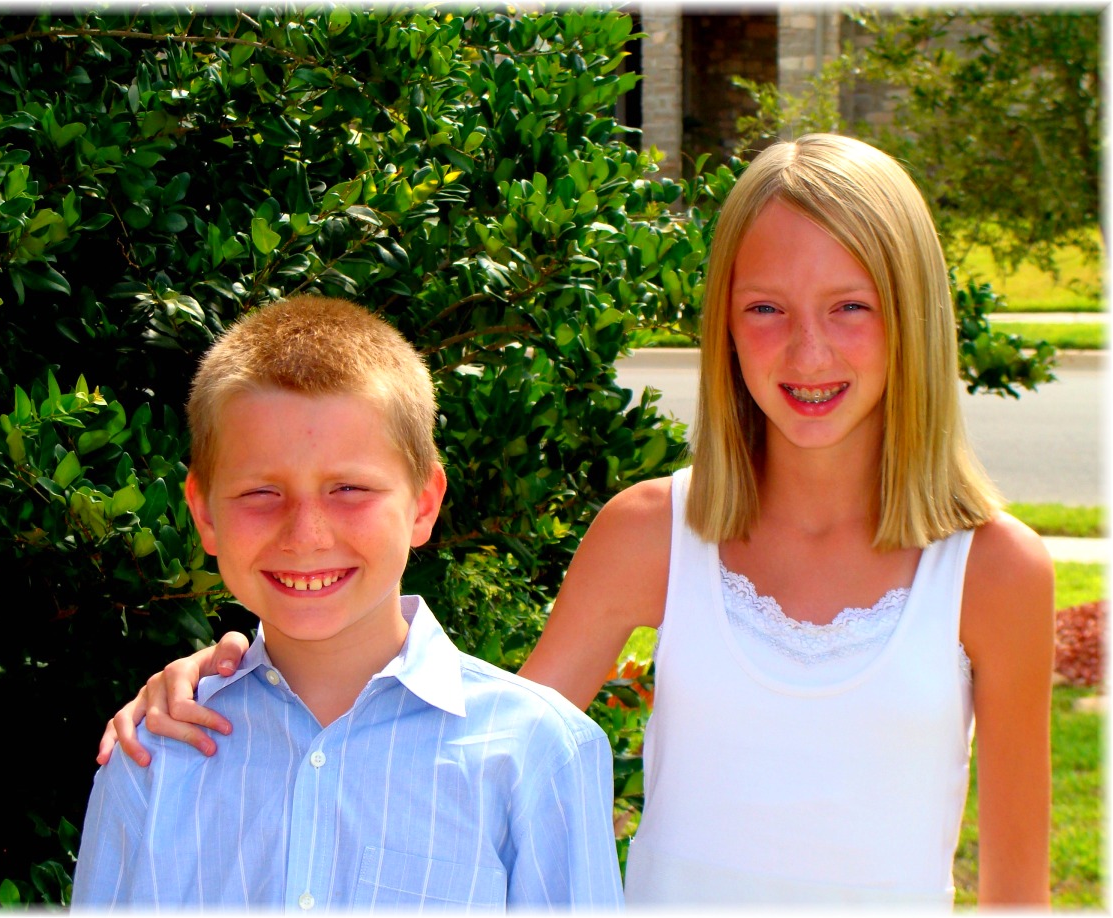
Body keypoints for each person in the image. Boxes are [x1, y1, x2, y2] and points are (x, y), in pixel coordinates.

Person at [99, 135, 1054, 907]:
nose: (808, 352)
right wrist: (244, 674)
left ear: (913, 315)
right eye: (766, 307)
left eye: (851, 307)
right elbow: (472, 749)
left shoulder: (994, 571)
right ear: (723, 323)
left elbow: (1017, 894)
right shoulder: (653, 532)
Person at [72, 295, 624, 910]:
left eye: (349, 489)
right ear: (204, 515)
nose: (306, 535)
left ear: (423, 504)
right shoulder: (151, 755)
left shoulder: (538, 751)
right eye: (260, 492)